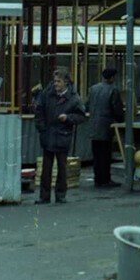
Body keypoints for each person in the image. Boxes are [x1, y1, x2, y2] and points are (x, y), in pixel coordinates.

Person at [34, 68, 86, 204]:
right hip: (48, 135)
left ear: (66, 82)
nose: (55, 84)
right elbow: (39, 111)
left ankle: (60, 195)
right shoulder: (47, 94)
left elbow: (81, 116)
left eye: (58, 81)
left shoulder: (74, 98)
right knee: (46, 168)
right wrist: (42, 129)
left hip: (63, 135)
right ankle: (44, 196)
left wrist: (68, 118)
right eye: (55, 81)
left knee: (62, 168)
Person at [87, 66, 124, 189]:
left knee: (96, 155)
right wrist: (121, 121)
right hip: (106, 127)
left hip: (93, 126)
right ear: (112, 78)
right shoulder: (113, 90)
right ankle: (105, 180)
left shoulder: (93, 88)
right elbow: (117, 110)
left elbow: (87, 105)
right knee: (106, 155)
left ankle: (98, 179)